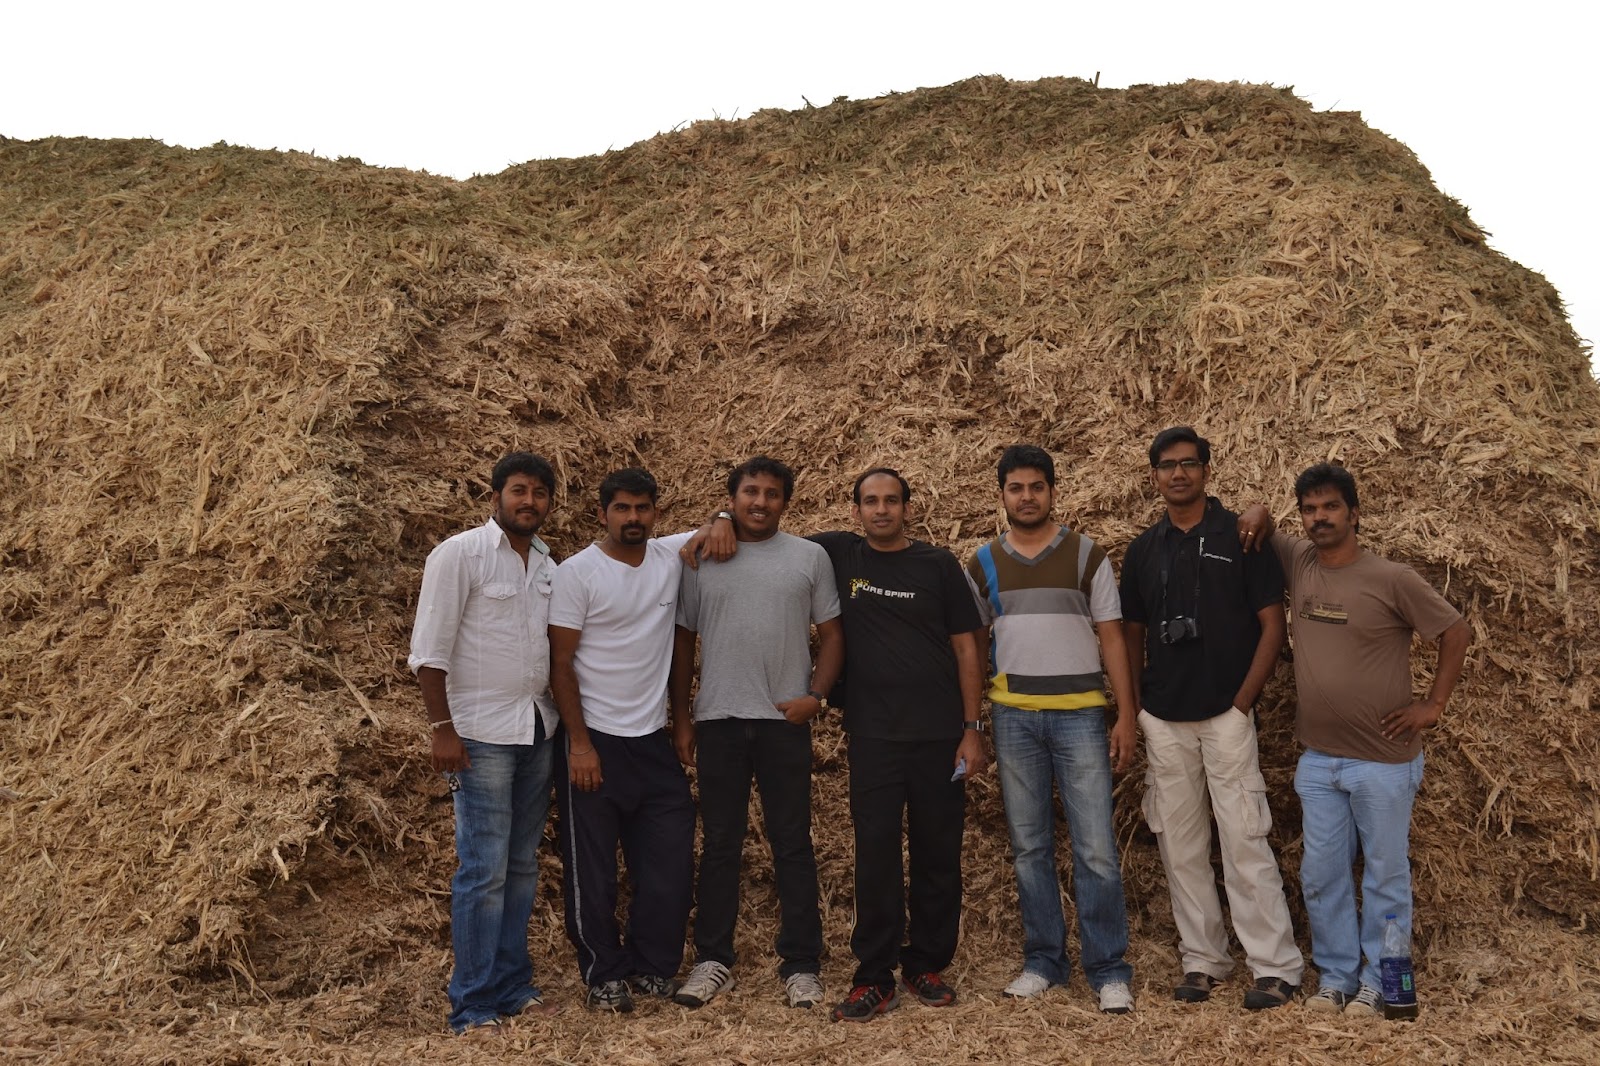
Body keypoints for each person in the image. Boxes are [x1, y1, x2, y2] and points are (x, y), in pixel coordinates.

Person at [1241, 463, 1468, 1018]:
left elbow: (1455, 630)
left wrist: (1433, 706)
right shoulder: (1299, 561)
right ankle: (1338, 979)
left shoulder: (1392, 578)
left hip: (1383, 762)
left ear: (1354, 514)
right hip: (1320, 762)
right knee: (1322, 876)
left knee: (1386, 877)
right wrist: (1259, 511)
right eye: (1310, 509)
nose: (1319, 518)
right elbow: (1259, 522)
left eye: (1331, 507)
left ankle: (1386, 985)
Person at [1119, 427, 1303, 1011]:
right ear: (1154, 476)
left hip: (1226, 713)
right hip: (1164, 717)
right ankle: (1203, 959)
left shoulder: (1242, 536)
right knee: (1180, 845)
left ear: (1206, 470)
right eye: (1167, 465)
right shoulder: (1143, 550)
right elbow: (1130, 633)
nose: (1179, 474)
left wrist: (1242, 702)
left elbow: (1273, 625)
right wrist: (1137, 707)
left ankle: (1274, 967)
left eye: (1189, 463)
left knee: (1245, 837)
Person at [965, 444, 1138, 1014]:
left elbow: (1112, 637)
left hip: (1080, 715)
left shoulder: (1088, 555)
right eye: (1016, 488)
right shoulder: (982, 563)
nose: (1027, 497)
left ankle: (1108, 969)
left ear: (1053, 491)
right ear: (1002, 495)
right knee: (1029, 848)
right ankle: (1043, 962)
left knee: (1096, 849)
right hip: (1012, 716)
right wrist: (973, 723)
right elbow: (975, 647)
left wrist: (1125, 714)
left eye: (1036, 487)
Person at [669, 456, 844, 1011]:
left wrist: (816, 696)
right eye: (750, 492)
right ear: (733, 498)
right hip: (718, 720)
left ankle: (802, 964)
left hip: (782, 723)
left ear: (785, 502)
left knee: (792, 843)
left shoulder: (809, 557)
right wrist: (682, 717)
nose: (760, 502)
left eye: (771, 494)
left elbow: (833, 635)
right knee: (721, 843)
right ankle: (712, 959)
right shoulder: (702, 556)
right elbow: (683, 642)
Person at [814, 468, 987, 1022]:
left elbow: (967, 648)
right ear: (856, 510)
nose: (882, 509)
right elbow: (763, 532)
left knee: (938, 854)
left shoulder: (937, 564)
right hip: (873, 737)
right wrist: (720, 520)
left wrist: (972, 728)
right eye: (871, 501)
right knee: (876, 857)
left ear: (908, 508)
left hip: (940, 737)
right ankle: (874, 976)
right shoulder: (840, 556)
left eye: (892, 500)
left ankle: (926, 965)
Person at [408, 451, 563, 1035]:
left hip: (537, 729)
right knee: (483, 870)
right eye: (519, 490)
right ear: (495, 495)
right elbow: (429, 651)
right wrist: (442, 729)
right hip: (480, 736)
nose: (529, 501)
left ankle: (512, 985)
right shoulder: (460, 554)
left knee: (521, 866)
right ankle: (472, 1003)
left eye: (540, 493)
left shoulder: (547, 564)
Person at [547, 467, 702, 1013]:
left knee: (669, 862)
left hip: (652, 740)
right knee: (592, 871)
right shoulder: (577, 573)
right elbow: (560, 664)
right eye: (622, 508)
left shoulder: (668, 557)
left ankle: (652, 966)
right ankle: (603, 974)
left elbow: (722, 524)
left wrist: (681, 721)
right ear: (602, 514)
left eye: (642, 508)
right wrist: (579, 744)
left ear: (656, 512)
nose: (633, 518)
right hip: (596, 740)